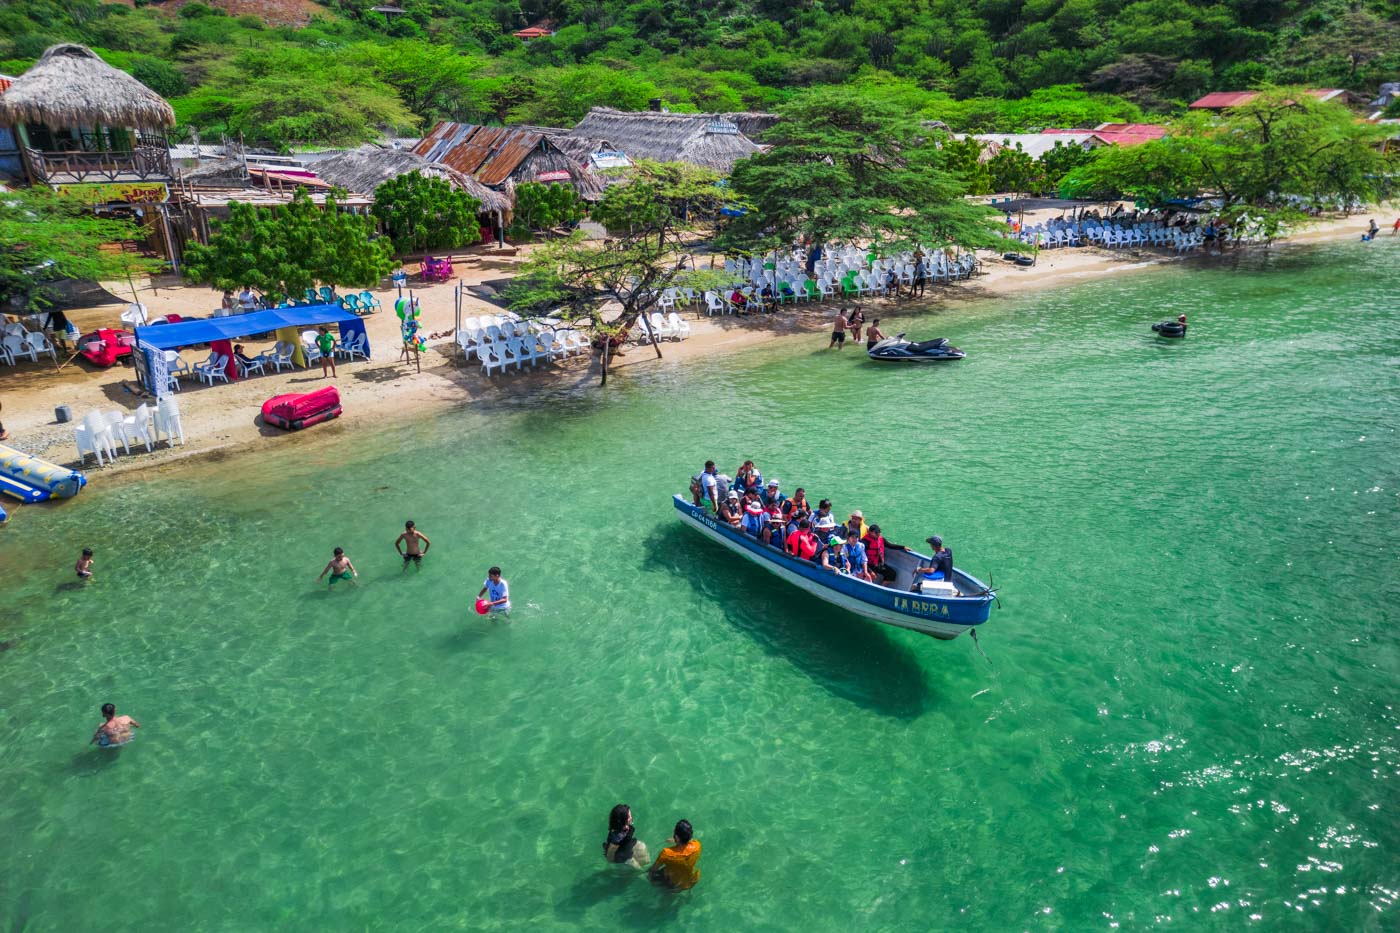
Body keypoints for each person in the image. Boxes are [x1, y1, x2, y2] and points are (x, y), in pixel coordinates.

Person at [649, 820, 701, 891]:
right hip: (690, 880)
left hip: (672, 883)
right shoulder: (697, 845)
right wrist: (677, 840)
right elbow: (689, 841)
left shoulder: (666, 853)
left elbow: (653, 869)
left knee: (649, 874)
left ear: (676, 837)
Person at [603, 804, 650, 870]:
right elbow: (611, 851)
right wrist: (611, 862)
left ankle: (646, 866)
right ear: (622, 820)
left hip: (627, 844)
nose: (631, 817)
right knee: (639, 869)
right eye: (629, 816)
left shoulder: (625, 827)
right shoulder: (617, 837)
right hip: (623, 854)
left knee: (643, 848)